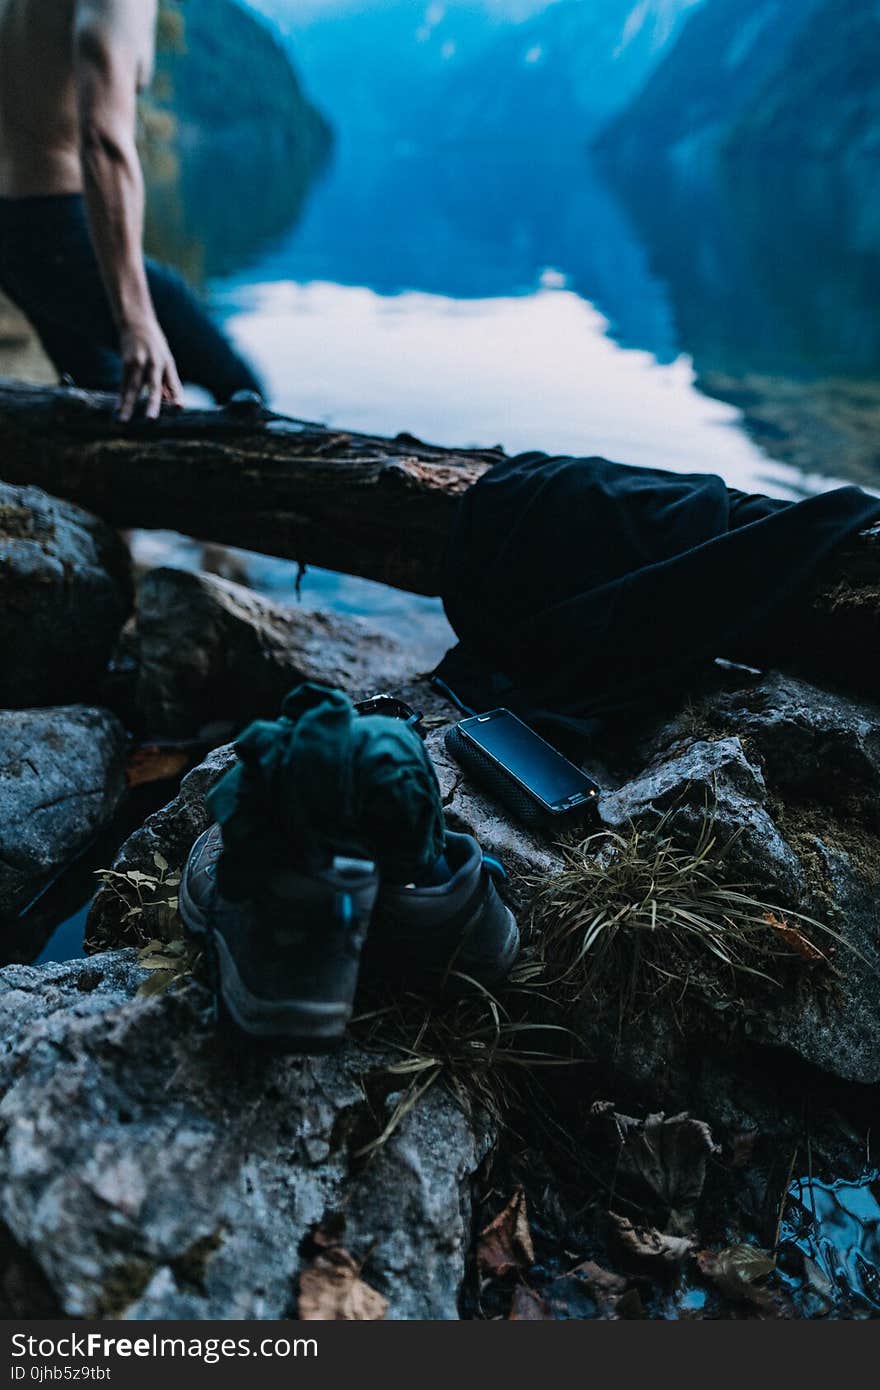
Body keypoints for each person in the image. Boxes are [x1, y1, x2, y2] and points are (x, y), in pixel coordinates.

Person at [0, 0, 262, 421]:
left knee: (109, 409)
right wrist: (135, 319)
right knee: (243, 392)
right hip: (56, 229)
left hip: (17, 228)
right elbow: (103, 139)